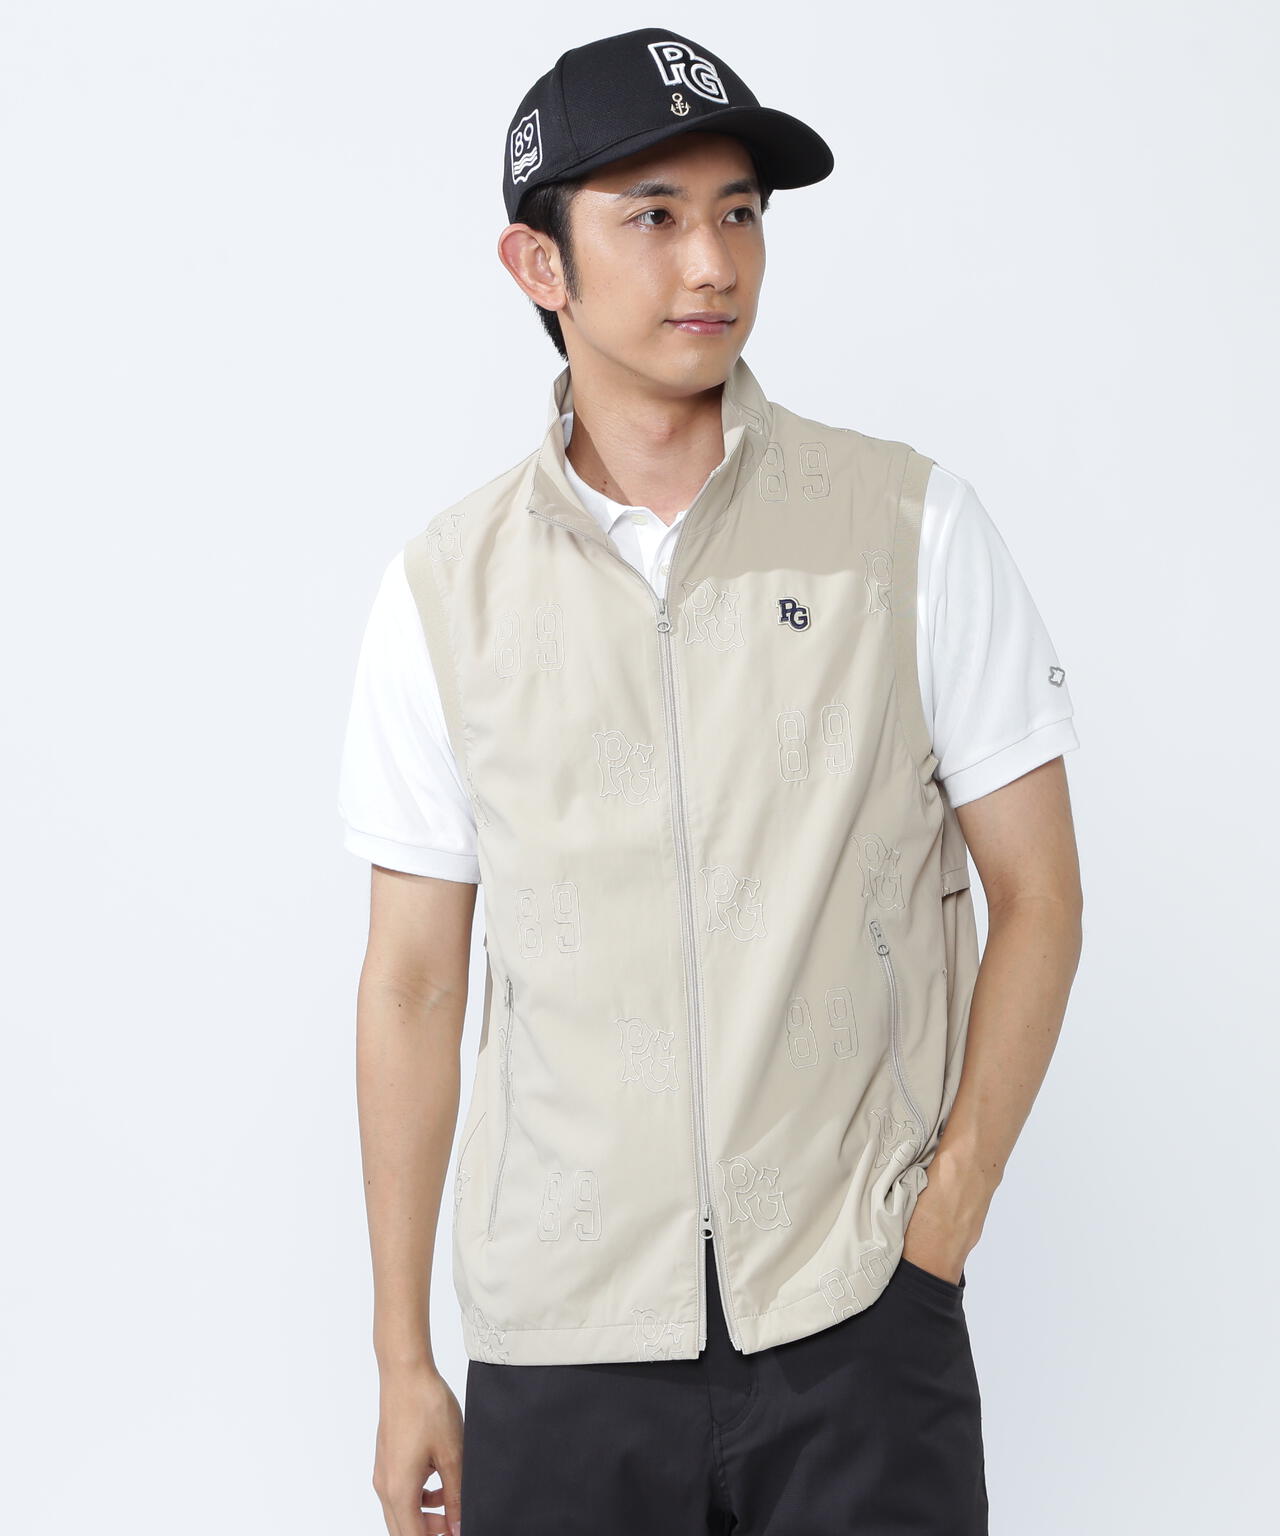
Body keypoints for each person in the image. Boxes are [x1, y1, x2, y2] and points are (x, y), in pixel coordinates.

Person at [339, 26, 1083, 1536]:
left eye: (740, 212)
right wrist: (404, 1355)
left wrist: (944, 1220)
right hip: (562, 1344)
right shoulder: (443, 595)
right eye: (655, 216)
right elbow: (413, 983)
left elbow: (1041, 895)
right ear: (538, 265)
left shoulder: (909, 529)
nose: (712, 263)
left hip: (854, 1320)